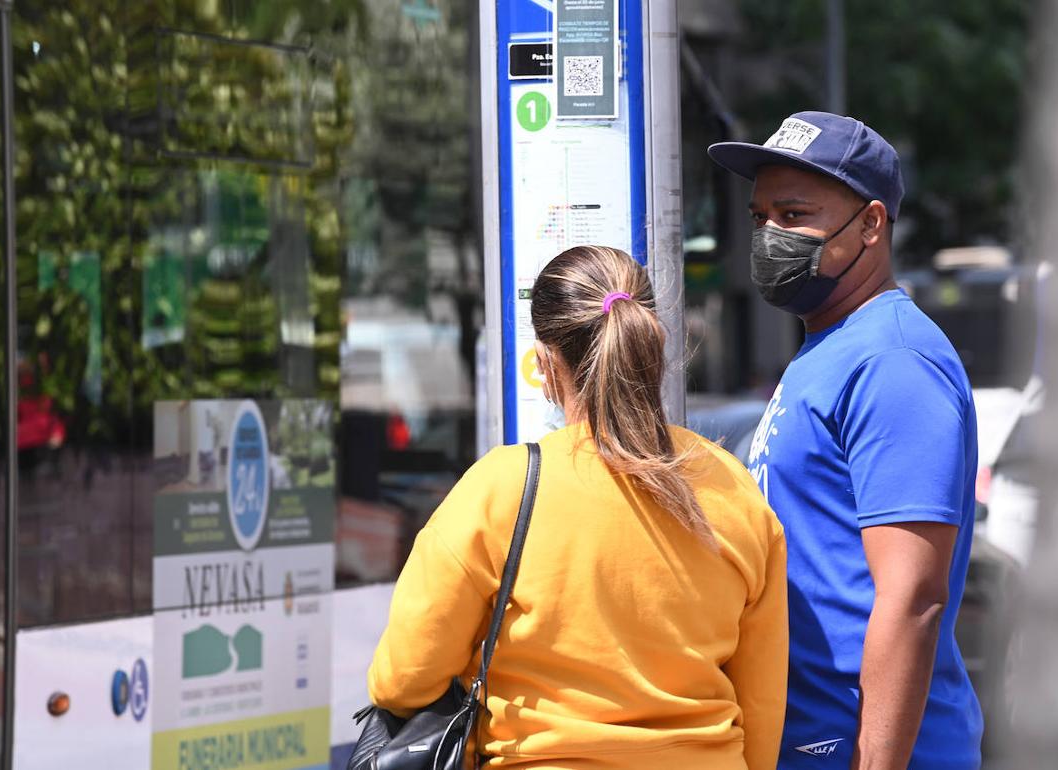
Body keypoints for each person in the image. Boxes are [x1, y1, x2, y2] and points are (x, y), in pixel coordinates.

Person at [368, 245, 788, 769]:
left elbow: (404, 677)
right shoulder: (732, 488)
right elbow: (764, 706)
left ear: (545, 362)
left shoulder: (503, 489)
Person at [708, 111, 982, 768]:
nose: (772, 234)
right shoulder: (830, 348)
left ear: (871, 224)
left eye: (795, 214)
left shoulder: (891, 361)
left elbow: (913, 596)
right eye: (760, 217)